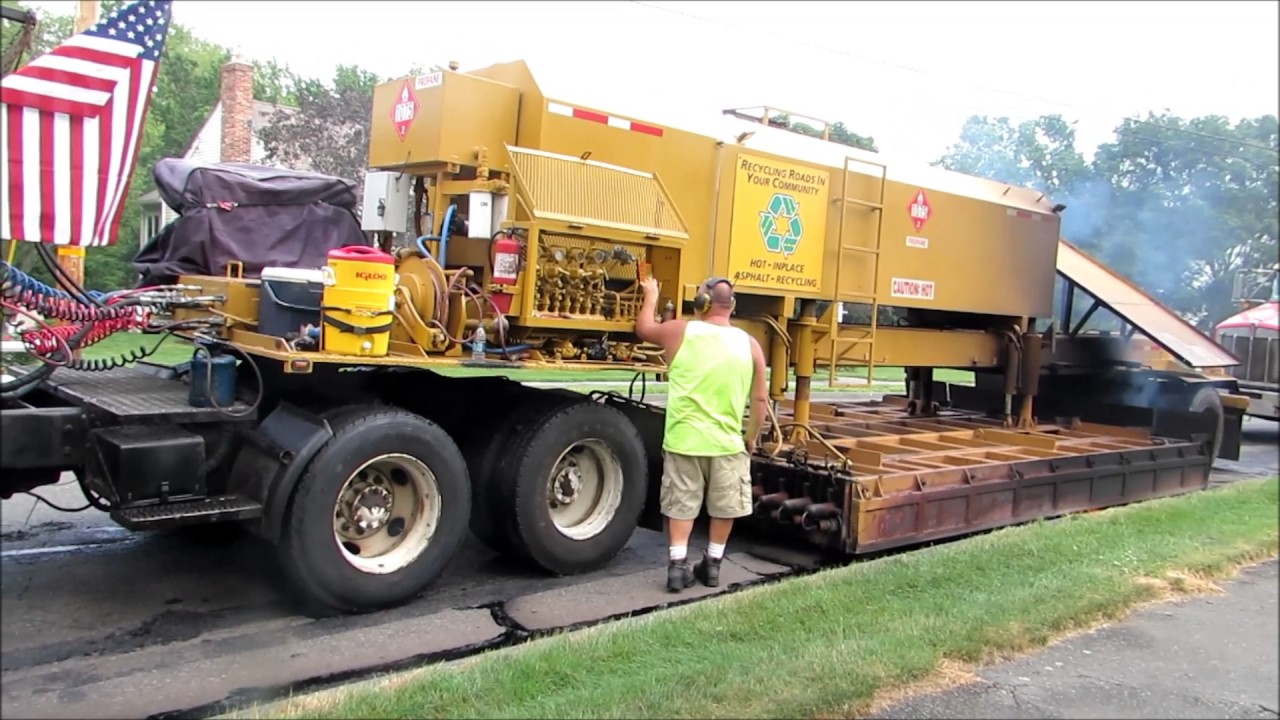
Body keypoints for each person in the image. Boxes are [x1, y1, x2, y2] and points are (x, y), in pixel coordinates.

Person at [636, 274, 768, 592]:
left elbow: (644, 329)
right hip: (727, 443)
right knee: (725, 506)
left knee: (681, 504)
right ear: (731, 305)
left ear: (702, 303)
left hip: (684, 440)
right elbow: (760, 400)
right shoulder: (750, 345)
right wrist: (751, 436)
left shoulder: (680, 331)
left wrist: (651, 293)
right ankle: (712, 566)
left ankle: (677, 567)